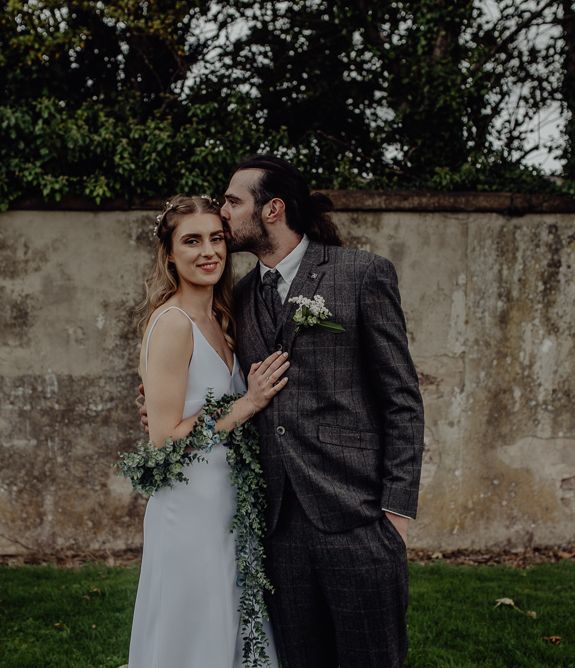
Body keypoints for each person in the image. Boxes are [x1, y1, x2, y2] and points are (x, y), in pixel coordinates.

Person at [221, 155, 425, 667]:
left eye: (232, 201)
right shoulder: (239, 297)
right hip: (281, 529)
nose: (222, 212)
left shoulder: (360, 274)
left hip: (358, 518)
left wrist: (395, 512)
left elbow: (401, 398)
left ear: (272, 209)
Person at [128, 194, 287, 667]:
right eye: (192, 241)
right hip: (190, 507)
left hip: (226, 500)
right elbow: (164, 440)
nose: (209, 252)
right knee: (194, 629)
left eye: (216, 238)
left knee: (232, 622)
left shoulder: (221, 318)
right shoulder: (174, 324)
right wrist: (249, 402)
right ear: (170, 254)